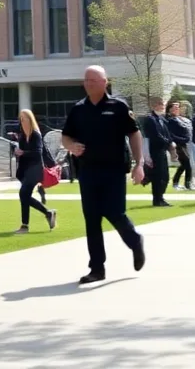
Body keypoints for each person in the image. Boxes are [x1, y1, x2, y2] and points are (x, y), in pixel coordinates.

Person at [60, 65, 145, 285]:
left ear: (105, 82)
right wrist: (72, 146)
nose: (88, 84)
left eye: (94, 80)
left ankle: (135, 241)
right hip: (88, 171)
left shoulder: (118, 107)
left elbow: (135, 134)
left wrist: (139, 164)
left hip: (114, 169)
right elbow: (65, 137)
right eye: (86, 80)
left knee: (115, 212)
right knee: (92, 218)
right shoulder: (78, 109)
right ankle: (97, 268)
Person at [12, 108, 56, 233]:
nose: (22, 121)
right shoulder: (22, 136)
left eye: (24, 118)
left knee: (23, 194)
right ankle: (48, 213)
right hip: (26, 171)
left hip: (35, 170)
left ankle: (25, 226)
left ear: (30, 120)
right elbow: (22, 154)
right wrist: (17, 153)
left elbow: (37, 153)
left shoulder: (36, 135)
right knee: (25, 196)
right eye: (21, 119)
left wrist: (23, 152)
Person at [142, 99, 173, 207]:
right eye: (160, 105)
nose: (162, 107)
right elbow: (156, 135)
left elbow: (167, 134)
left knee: (165, 175)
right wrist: (166, 142)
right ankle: (157, 199)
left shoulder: (161, 119)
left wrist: (170, 142)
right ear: (154, 105)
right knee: (158, 176)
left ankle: (161, 196)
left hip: (162, 150)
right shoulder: (150, 119)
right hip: (155, 151)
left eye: (163, 105)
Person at [168, 101, 194, 191]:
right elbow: (171, 134)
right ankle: (187, 184)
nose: (177, 109)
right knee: (187, 163)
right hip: (178, 145)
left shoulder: (180, 119)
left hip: (184, 144)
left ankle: (176, 182)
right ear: (170, 110)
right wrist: (183, 139)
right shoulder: (171, 120)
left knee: (183, 165)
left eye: (178, 107)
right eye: (175, 107)